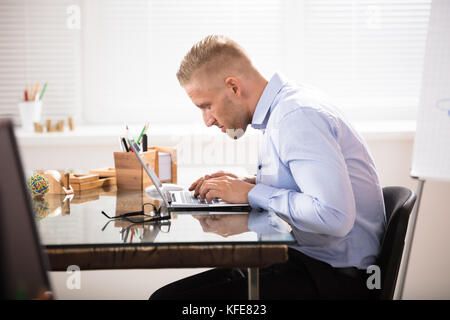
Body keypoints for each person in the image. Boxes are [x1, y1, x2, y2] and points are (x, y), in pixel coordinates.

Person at [150, 35, 386, 300]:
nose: (207, 120)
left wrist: (251, 193)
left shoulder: (296, 116)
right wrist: (246, 185)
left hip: (336, 279)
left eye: (206, 106)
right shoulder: (286, 108)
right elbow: (303, 184)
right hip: (311, 262)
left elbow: (334, 216)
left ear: (233, 88)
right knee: (166, 297)